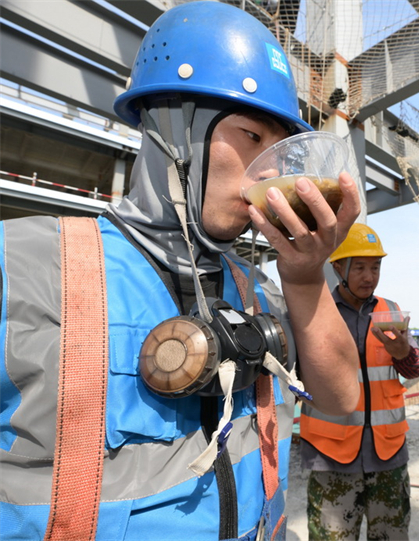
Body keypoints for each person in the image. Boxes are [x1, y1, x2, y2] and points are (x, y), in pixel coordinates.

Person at [0, 2, 360, 540]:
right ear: (172, 125)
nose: (271, 170)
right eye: (252, 137)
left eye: (279, 150)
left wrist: (306, 278)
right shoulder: (23, 263)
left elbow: (343, 404)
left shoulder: (257, 289)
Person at [298, 223, 419, 540]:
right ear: (338, 267)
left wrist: (403, 352)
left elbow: (415, 369)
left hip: (388, 454)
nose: (369, 276)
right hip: (331, 458)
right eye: (360, 268)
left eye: (376, 267)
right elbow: (294, 375)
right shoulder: (315, 312)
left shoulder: (391, 311)